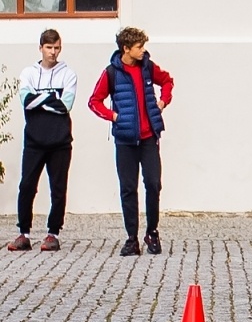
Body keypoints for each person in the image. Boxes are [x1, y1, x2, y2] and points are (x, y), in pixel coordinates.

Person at [88, 27, 173, 257]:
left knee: (153, 184)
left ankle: (152, 232)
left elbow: (167, 81)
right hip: (125, 140)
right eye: (139, 47)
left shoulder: (147, 67)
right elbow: (94, 101)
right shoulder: (111, 73)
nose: (143, 50)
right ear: (126, 49)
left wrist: (163, 101)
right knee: (128, 188)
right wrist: (113, 116)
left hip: (148, 138)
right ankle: (132, 238)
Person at [8, 29, 76, 252]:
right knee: (27, 185)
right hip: (34, 140)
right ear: (41, 48)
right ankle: (23, 233)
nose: (53, 52)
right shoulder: (28, 73)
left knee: (58, 188)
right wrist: (52, 97)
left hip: (60, 141)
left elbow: (65, 105)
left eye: (56, 48)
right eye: (49, 48)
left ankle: (52, 233)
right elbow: (26, 101)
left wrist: (40, 100)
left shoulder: (68, 75)